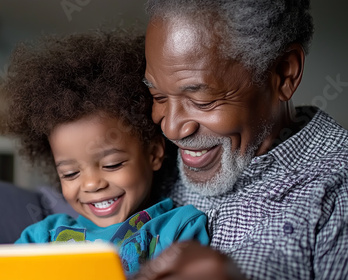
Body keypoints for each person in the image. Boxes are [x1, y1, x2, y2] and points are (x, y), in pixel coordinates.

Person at [0, 29, 209, 279]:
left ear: (154, 153)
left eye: (112, 164)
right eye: (70, 173)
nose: (90, 184)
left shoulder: (178, 227)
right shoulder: (43, 236)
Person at [133, 0, 348, 280]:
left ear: (284, 73)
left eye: (202, 100)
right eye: (158, 97)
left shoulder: (337, 191)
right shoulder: (148, 166)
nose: (173, 129)